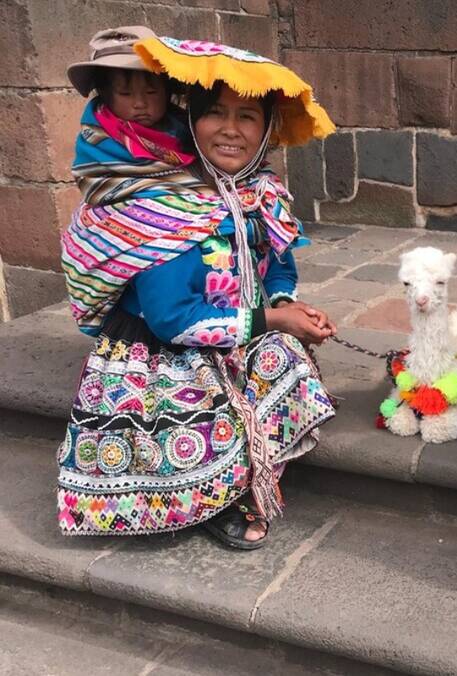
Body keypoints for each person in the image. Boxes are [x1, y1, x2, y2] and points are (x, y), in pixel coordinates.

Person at [58, 35, 339, 550]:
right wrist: (272, 321)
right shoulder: (162, 204)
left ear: (266, 130)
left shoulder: (258, 192)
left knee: (289, 360)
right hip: (159, 345)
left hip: (235, 327)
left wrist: (281, 303)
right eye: (216, 114)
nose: (231, 130)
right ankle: (218, 496)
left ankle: (252, 464)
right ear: (193, 120)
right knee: (195, 408)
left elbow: (277, 263)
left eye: (248, 117)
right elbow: (171, 318)